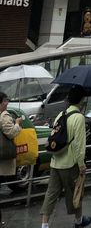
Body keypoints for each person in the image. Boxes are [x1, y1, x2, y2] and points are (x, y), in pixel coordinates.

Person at [41, 85, 91, 228]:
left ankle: (44, 224)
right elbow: (79, 145)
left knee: (51, 193)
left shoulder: (61, 114)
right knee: (76, 191)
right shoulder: (79, 118)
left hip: (55, 161)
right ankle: (78, 220)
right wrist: (81, 165)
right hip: (70, 164)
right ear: (81, 100)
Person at [0, 91, 22, 226]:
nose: (7, 103)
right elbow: (11, 133)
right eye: (5, 101)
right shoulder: (4, 116)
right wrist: (18, 123)